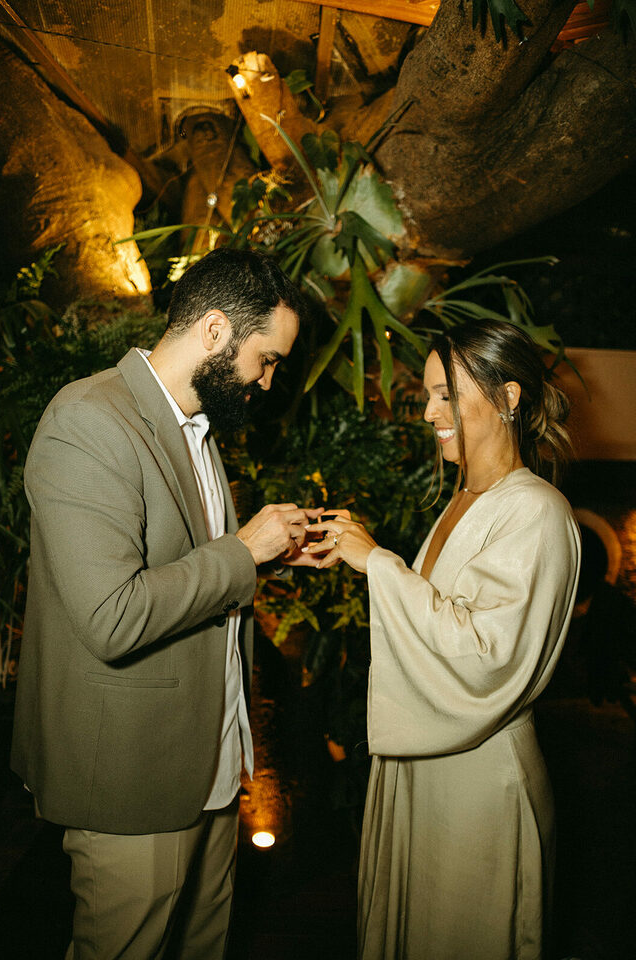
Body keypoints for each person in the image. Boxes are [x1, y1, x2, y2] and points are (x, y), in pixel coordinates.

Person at [11, 247, 321, 960]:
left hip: (211, 768)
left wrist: (266, 556)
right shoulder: (88, 420)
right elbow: (112, 616)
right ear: (215, 331)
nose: (268, 381)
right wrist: (242, 553)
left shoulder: (198, 428)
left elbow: (190, 573)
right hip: (133, 774)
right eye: (266, 360)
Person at [303, 319, 581, 960]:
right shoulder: (463, 499)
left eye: (446, 395)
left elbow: (486, 656)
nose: (429, 413)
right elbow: (436, 617)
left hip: (479, 781)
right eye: (429, 395)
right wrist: (352, 553)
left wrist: (377, 563)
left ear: (508, 397)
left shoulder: (536, 510)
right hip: (426, 763)